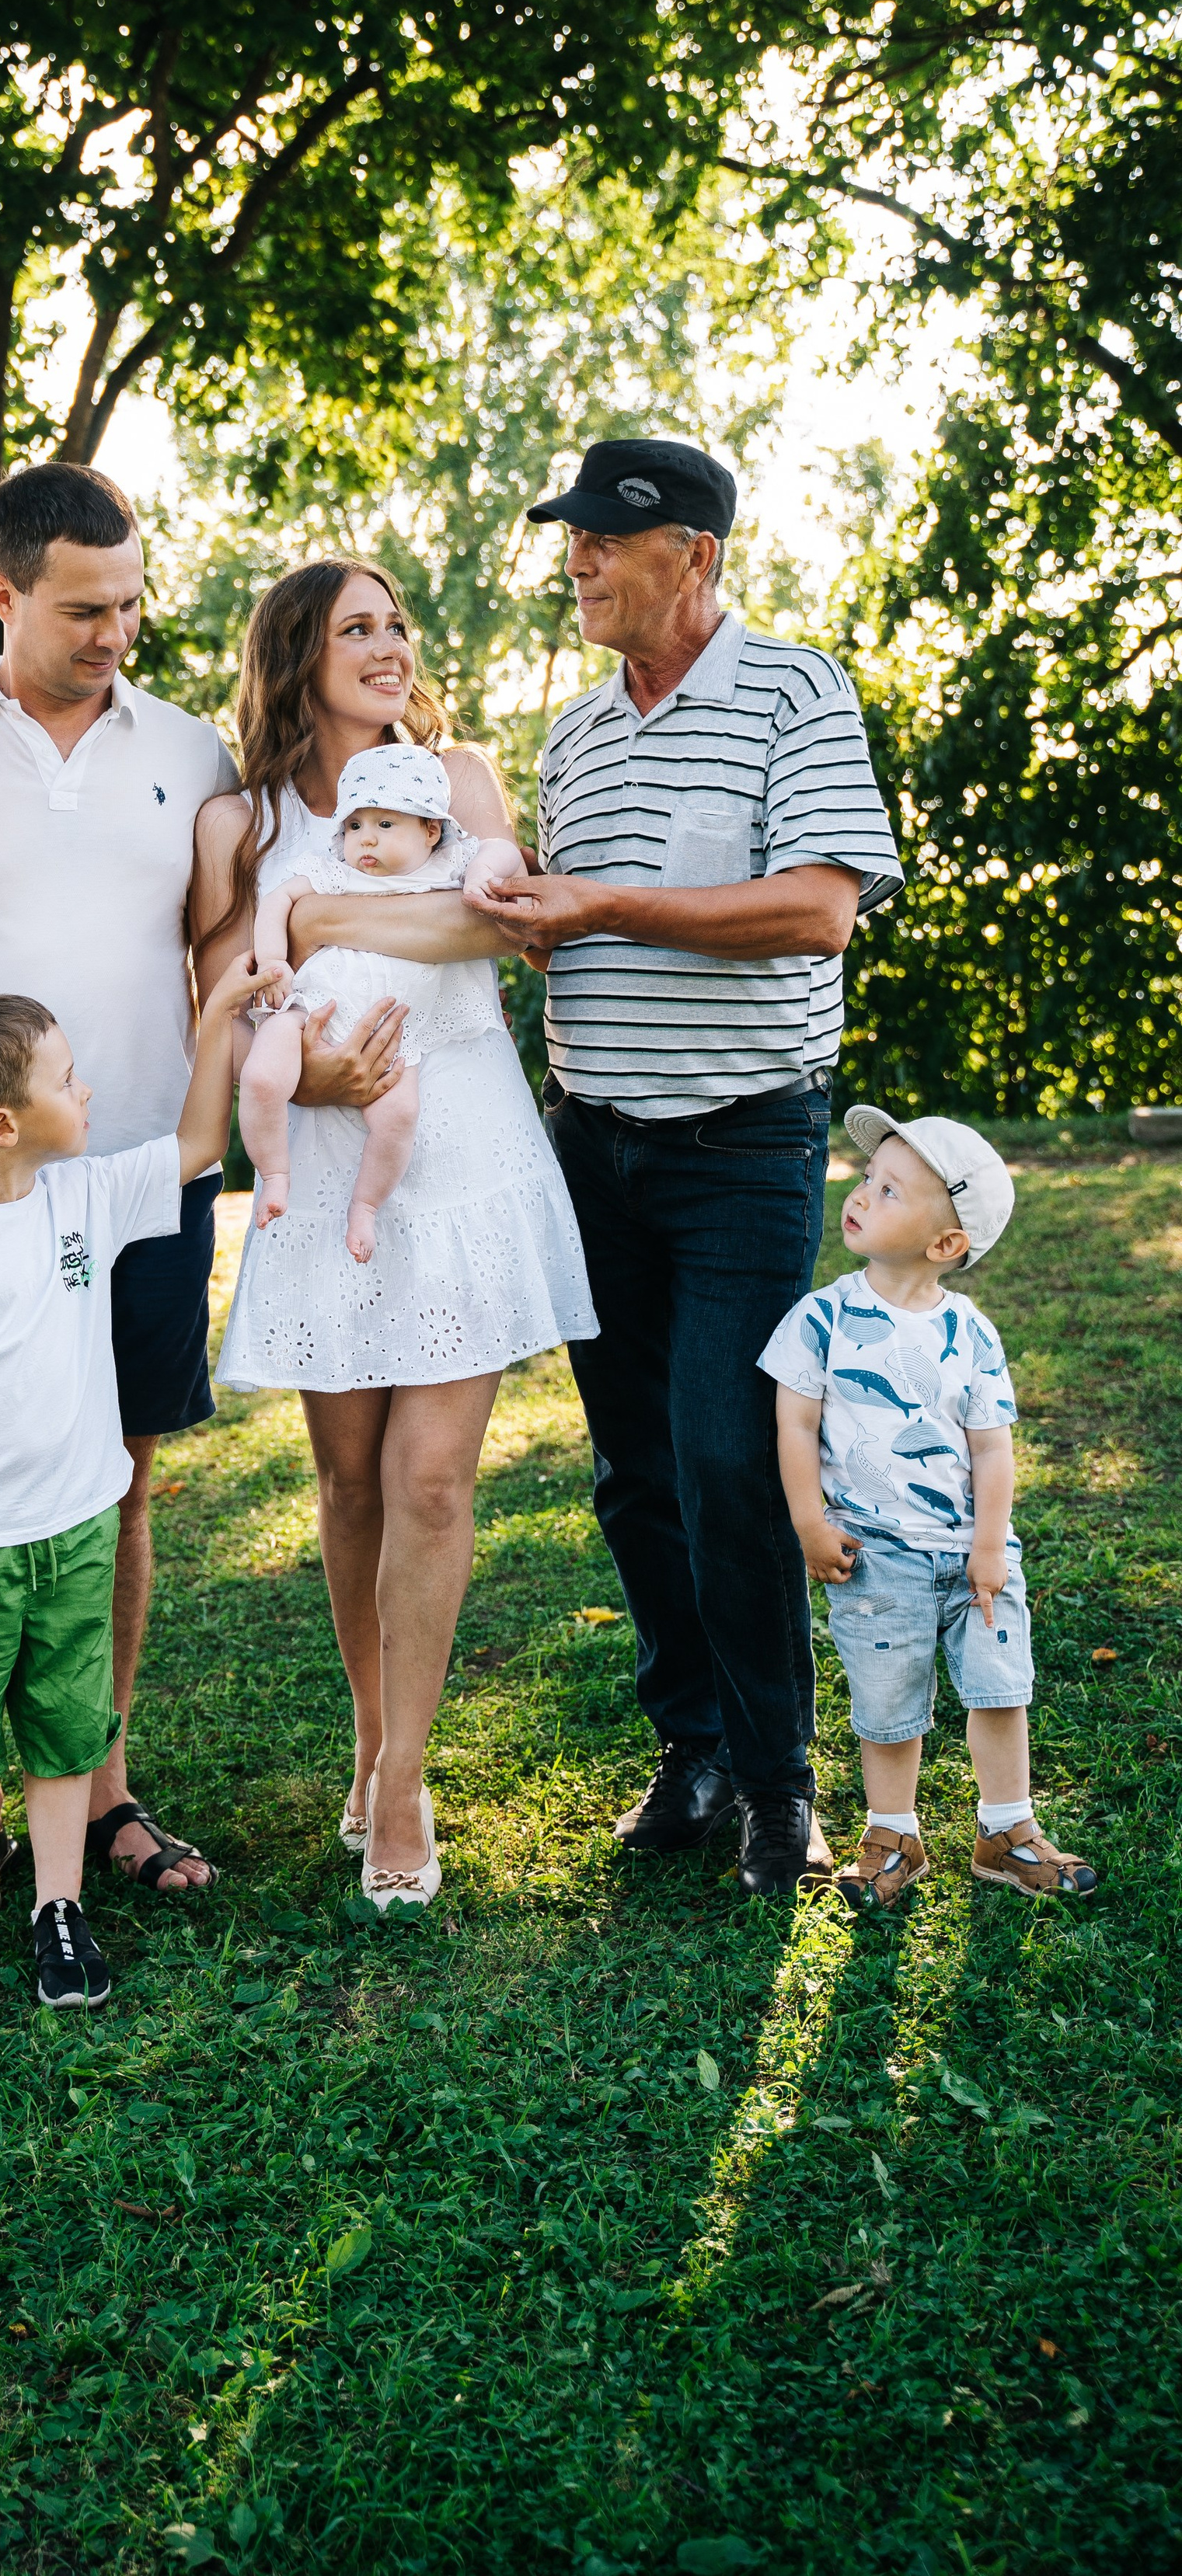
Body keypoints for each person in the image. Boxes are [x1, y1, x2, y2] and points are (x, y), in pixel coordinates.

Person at [0, 461, 402, 1902]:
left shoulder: (189, 754)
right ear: (1, 591)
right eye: (85, 608)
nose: (117, 632)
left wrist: (305, 1060)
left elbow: (231, 960)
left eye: (132, 604)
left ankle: (99, 1789)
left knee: (121, 1485)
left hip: (151, 1171)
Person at [441, 436, 907, 1895]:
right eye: (570, 534)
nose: (575, 556)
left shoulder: (794, 690)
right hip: (596, 1146)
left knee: (726, 1457)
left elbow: (820, 909)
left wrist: (606, 901)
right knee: (636, 1471)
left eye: (604, 535)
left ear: (693, 552)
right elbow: (574, 924)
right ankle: (691, 1745)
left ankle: (781, 1783)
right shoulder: (575, 733)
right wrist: (526, 920)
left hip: (743, 1146)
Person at [198, 560, 595, 1911]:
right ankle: (368, 1734)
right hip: (324, 1161)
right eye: (356, 626)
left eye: (397, 624)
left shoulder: (459, 775)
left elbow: (504, 922)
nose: (388, 644)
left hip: (467, 1146)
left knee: (432, 1479)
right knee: (352, 1478)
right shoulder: (239, 821)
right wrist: (301, 1051)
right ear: (296, 651)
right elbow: (234, 995)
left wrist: (325, 916)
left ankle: (409, 1775)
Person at [0, 957, 266, 2010]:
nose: (86, 1091)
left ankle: (58, 1906)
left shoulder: (85, 1195)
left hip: (81, 1534)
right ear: (3, 1121)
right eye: (67, 1077)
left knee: (65, 1729)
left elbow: (195, 1147)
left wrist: (219, 1014)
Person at [765, 1108, 1098, 1906]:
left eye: (887, 1189)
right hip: (876, 1551)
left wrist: (990, 1545)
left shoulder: (971, 1333)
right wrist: (809, 1522)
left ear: (945, 1244)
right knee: (886, 1700)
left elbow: (990, 1446)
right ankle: (893, 1832)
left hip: (973, 1551)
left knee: (999, 1687)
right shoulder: (821, 1317)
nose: (858, 1194)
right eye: (864, 1177)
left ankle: (1007, 1830)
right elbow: (793, 1422)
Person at [241, 743, 525, 1260]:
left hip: (397, 1032)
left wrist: (487, 865)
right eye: (354, 825)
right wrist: (273, 959)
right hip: (313, 1010)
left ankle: (366, 1206)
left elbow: (504, 853)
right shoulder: (336, 871)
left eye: (385, 824)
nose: (365, 838)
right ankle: (275, 1171)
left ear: (430, 830)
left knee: (399, 1116)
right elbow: (279, 898)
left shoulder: (446, 866)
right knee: (263, 1076)